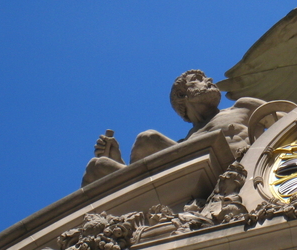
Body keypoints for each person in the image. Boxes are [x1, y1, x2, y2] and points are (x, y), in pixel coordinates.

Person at [81, 70, 265, 186]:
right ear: (181, 94)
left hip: (242, 173)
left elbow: (290, 119)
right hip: (195, 181)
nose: (209, 79)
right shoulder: (184, 143)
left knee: (148, 138)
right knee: (97, 165)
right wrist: (116, 159)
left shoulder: (242, 107)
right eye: (198, 79)